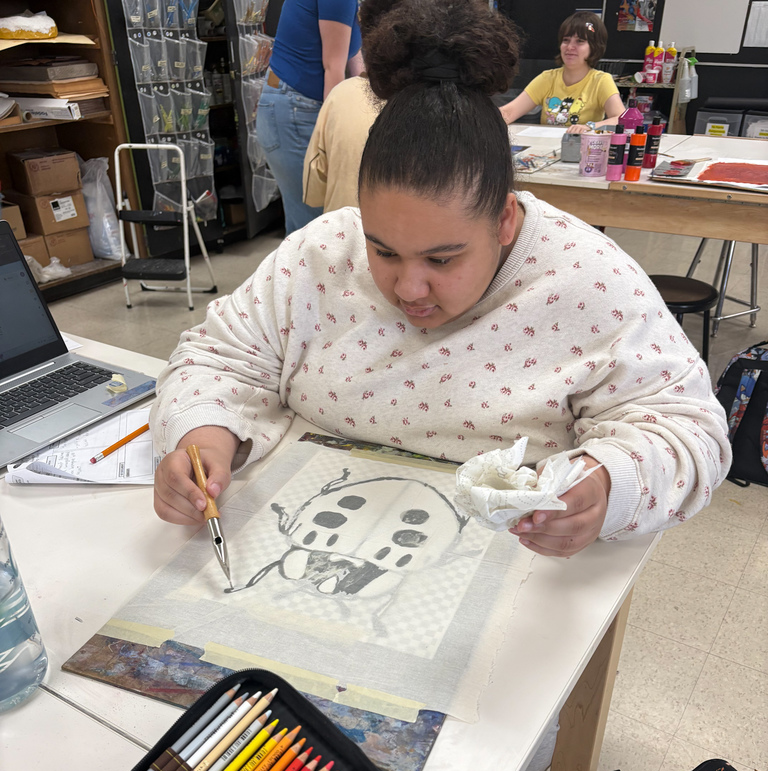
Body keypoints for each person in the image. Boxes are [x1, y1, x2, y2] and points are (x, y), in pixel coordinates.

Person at [152, 0, 729, 559]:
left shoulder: (585, 279)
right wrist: (205, 439)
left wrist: (607, 483)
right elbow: (220, 358)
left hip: (503, 571)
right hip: (300, 533)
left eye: (443, 259)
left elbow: (688, 430)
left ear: (503, 220)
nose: (408, 288)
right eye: (384, 250)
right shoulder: (322, 252)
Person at [255, 0, 362, 233]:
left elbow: (352, 51)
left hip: (294, 104)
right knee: (314, 232)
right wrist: (337, 133)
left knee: (320, 227)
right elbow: (333, 67)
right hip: (296, 109)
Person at [302, 0, 393, 213]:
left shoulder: (340, 98)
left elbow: (313, 189)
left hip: (342, 236)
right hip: (403, 239)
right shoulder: (443, 106)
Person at [499, 12, 625, 133]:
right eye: (566, 40)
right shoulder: (547, 78)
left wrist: (590, 126)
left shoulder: (601, 81)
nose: (570, 47)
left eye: (579, 41)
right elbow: (509, 112)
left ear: (595, 46)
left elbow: (621, 119)